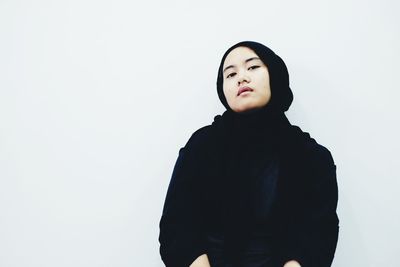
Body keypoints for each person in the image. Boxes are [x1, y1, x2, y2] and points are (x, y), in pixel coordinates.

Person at [158, 41, 339, 267]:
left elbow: (318, 235)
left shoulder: (312, 157)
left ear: (275, 75)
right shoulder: (201, 147)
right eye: (230, 74)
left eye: (252, 67)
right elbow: (177, 226)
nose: (241, 78)